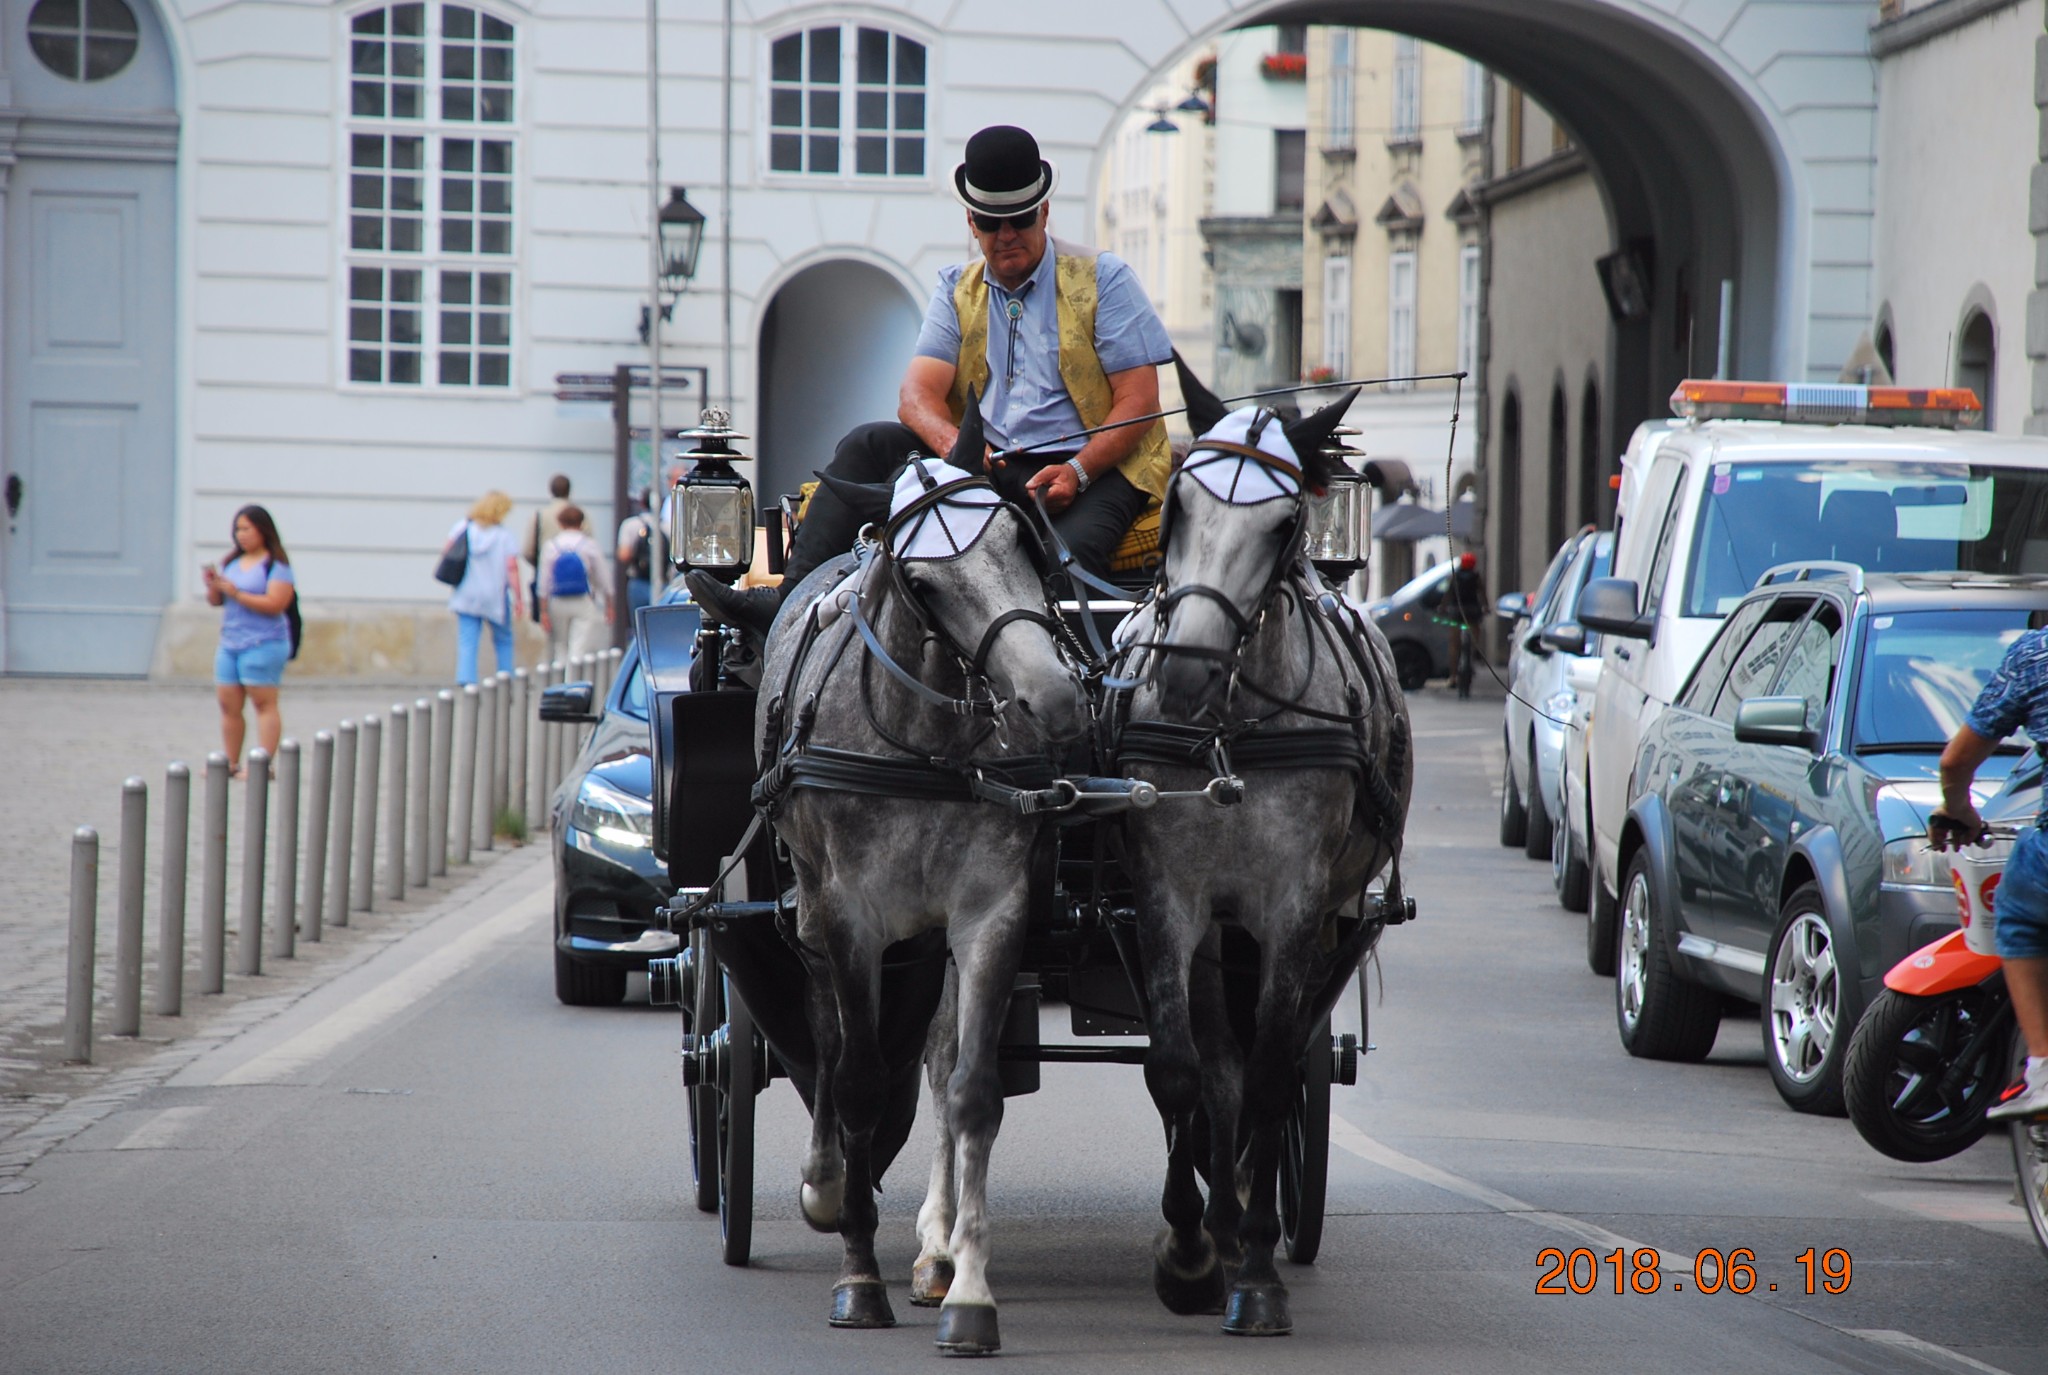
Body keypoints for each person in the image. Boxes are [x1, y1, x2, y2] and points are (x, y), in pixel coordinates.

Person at [689, 123, 1173, 637]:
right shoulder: (955, 287)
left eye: (1020, 219)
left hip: (1093, 466)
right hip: (983, 460)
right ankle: (785, 602)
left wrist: (1077, 471)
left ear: (1045, 212)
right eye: (991, 223)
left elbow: (1139, 401)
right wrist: (956, 451)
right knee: (866, 444)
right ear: (972, 222)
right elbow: (916, 397)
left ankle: (1073, 683)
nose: (1006, 235)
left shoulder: (1106, 277)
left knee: (1066, 561)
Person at [1929, 617, 2048, 1121]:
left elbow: (1956, 763)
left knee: (2019, 909)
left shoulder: (2034, 656)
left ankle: (2043, 1071)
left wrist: (1958, 811)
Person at [203, 505, 296, 778]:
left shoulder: (276, 565)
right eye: (238, 529)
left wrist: (238, 593)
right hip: (230, 642)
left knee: (263, 703)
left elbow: (276, 603)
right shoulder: (231, 562)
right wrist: (214, 587)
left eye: (247, 529)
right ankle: (230, 761)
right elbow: (216, 601)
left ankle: (262, 763)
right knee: (228, 704)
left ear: (263, 530)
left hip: (263, 643)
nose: (241, 535)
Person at [446, 490, 523, 684]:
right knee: (504, 640)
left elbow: (448, 552)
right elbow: (512, 568)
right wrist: (519, 598)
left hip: (467, 593)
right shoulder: (503, 536)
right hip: (495, 595)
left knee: (467, 641)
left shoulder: (463, 528)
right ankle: (505, 678)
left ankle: (466, 680)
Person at [540, 504, 612, 662]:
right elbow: (603, 577)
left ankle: (560, 680)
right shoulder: (589, 545)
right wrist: (608, 603)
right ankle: (572, 681)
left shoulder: (551, 546)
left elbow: (544, 581)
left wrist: (543, 610)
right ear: (581, 523)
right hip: (582, 598)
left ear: (560, 523)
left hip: (557, 600)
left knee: (561, 645)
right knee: (578, 645)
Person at [522, 473, 572, 624]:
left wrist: (539, 564)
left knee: (552, 633)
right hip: (577, 582)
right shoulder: (579, 514)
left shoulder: (540, 515)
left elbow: (528, 550)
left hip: (549, 579)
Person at [1443, 551, 1487, 700]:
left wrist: (1442, 608)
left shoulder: (1455, 576)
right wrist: (1486, 607)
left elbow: (1448, 593)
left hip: (1456, 612)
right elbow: (1482, 594)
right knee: (1475, 636)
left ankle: (1453, 676)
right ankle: (1474, 654)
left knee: (1454, 644)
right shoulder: (1476, 577)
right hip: (1473, 612)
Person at [617, 488, 655, 634]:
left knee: (639, 629)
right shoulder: (667, 524)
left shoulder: (632, 524)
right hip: (663, 581)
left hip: (639, 580)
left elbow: (624, 554)